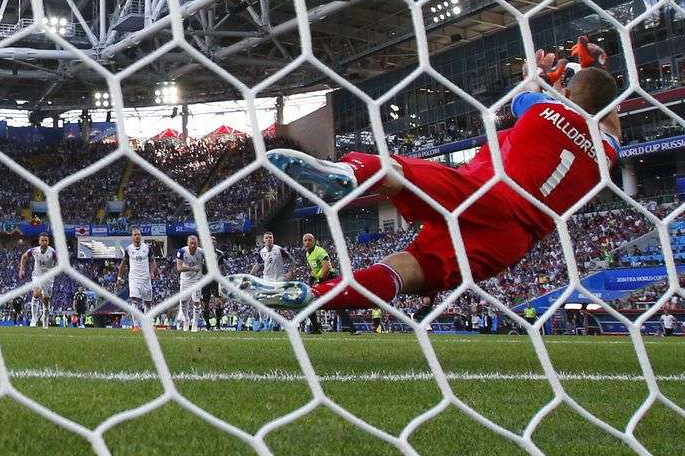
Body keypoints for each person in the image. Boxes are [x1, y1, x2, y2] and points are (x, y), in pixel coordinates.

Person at [225, 37, 621, 318]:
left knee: (399, 170)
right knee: (410, 270)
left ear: (569, 95)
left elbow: (526, 92)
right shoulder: (606, 154)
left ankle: (349, 172)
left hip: (486, 193)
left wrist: (538, 74)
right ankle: (312, 295)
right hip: (513, 240)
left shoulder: (541, 111)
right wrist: (588, 72)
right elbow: (607, 117)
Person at [250, 231, 295, 331]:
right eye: (267, 238)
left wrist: (290, 272)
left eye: (270, 237)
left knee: (274, 300)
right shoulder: (262, 252)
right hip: (267, 278)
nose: (269, 239)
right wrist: (250, 275)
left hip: (279, 278)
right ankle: (262, 320)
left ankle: (271, 321)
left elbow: (292, 260)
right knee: (261, 299)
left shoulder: (279, 249)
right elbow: (258, 265)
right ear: (264, 240)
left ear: (273, 239)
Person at [117, 228, 157, 331]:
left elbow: (153, 261)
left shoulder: (147, 248)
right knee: (134, 301)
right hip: (134, 279)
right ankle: (135, 326)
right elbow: (123, 264)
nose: (137, 236)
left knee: (148, 303)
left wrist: (153, 271)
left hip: (146, 279)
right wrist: (119, 278)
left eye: (139, 234)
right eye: (135, 235)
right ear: (132, 237)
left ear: (141, 236)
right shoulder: (128, 249)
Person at [18, 233, 58, 328]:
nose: (44, 242)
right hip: (37, 275)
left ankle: (45, 318)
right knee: (36, 293)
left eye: (46, 240)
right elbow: (24, 257)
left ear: (48, 242)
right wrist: (21, 269)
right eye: (42, 240)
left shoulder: (52, 252)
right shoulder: (34, 250)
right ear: (39, 241)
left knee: (46, 300)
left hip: (49, 277)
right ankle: (34, 319)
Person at [175, 235, 205, 332]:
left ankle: (195, 324)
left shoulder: (201, 252)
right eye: (191, 243)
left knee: (196, 302)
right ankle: (186, 320)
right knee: (183, 302)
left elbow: (208, 264)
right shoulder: (182, 252)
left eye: (195, 243)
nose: (193, 245)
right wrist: (192, 268)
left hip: (196, 280)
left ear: (198, 243)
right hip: (185, 280)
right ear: (187, 243)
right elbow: (179, 268)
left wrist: (205, 274)